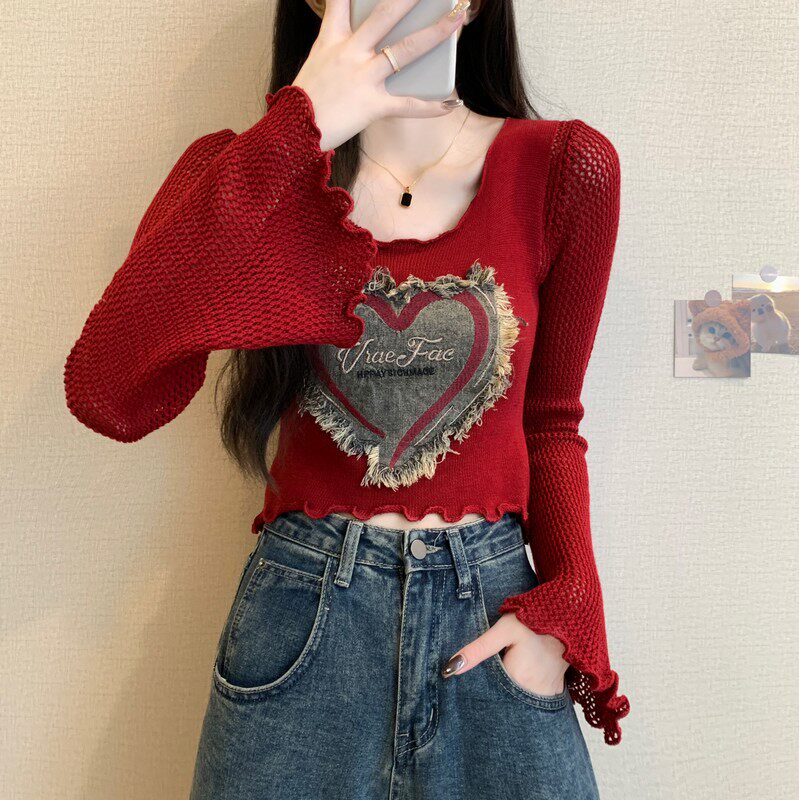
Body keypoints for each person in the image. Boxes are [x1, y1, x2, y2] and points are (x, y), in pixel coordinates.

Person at [63, 0, 630, 796]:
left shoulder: (562, 169)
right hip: (302, 627)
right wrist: (297, 133)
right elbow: (106, 389)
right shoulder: (247, 175)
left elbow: (551, 421)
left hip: (492, 620)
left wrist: (567, 609)